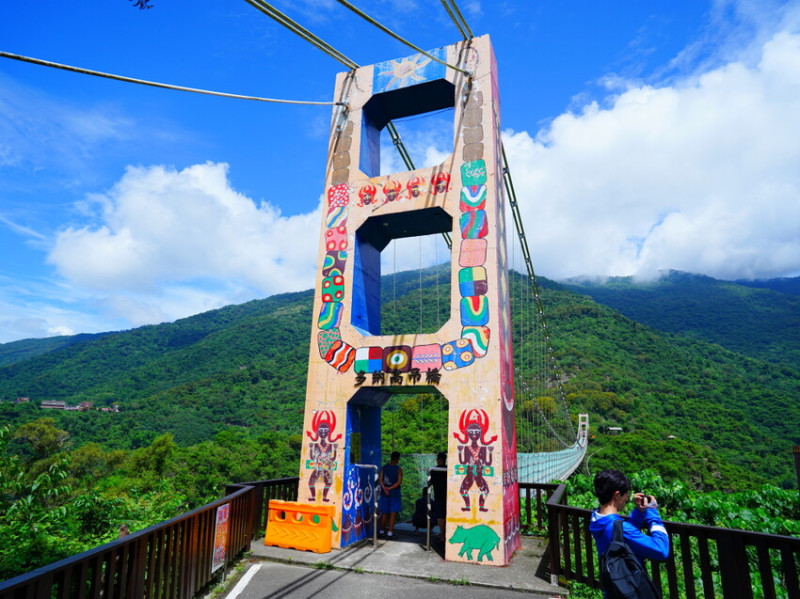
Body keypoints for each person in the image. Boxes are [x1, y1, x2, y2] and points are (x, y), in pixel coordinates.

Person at [589, 469, 670, 594]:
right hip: (630, 590)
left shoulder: (596, 518)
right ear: (617, 495)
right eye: (626, 494)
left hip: (614, 588)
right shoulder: (620, 528)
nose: (627, 499)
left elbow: (618, 537)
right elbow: (661, 550)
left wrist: (638, 513)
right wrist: (652, 513)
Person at [378, 451, 403, 539]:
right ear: (397, 459)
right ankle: (389, 534)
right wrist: (390, 488)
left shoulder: (384, 467)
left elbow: (380, 479)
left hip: (384, 493)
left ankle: (381, 532)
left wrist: (385, 488)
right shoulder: (398, 469)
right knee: (393, 513)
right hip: (394, 494)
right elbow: (399, 482)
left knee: (384, 513)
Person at [430, 451, 447, 542]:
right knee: (446, 516)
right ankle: (445, 535)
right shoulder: (449, 469)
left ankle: (442, 536)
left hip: (438, 496)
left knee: (440, 517)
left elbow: (430, 482)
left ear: (438, 460)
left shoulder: (434, 470)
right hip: (448, 496)